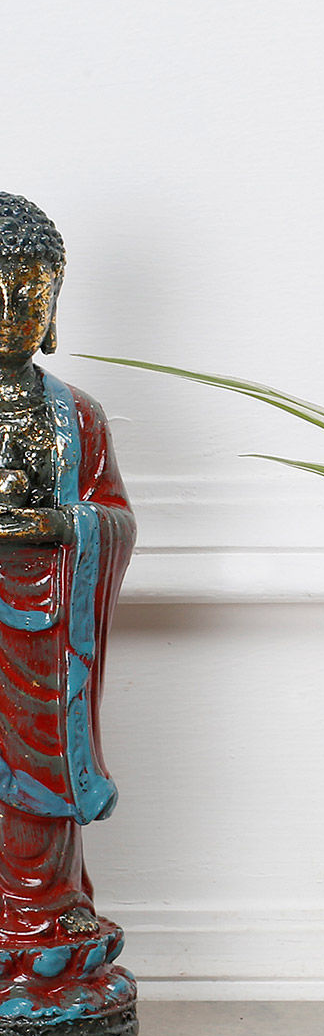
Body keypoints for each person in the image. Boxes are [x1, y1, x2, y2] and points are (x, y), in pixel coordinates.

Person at [0, 195, 134, 947]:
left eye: (32, 289)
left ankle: (44, 908)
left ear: (54, 302)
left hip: (47, 635)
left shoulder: (77, 416)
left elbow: (112, 517)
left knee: (40, 781)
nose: (13, 307)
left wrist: (62, 525)